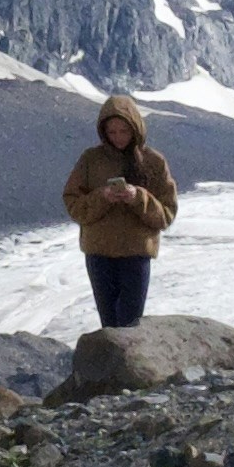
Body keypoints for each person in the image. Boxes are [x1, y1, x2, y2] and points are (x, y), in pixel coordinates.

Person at [61, 94, 182, 326]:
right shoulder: (91, 160)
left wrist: (139, 198)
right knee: (109, 325)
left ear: (135, 128)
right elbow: (74, 204)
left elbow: (166, 214)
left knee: (129, 326)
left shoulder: (154, 162)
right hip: (99, 256)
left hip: (135, 256)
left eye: (124, 131)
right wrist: (102, 197)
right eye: (112, 132)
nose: (118, 137)